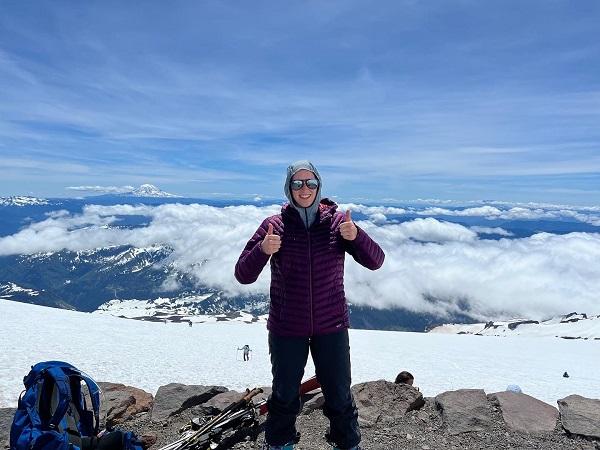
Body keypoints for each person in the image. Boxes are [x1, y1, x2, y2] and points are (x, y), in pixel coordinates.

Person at [235, 161, 385, 450]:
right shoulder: (273, 225)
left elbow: (376, 261)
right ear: (288, 188)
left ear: (319, 187)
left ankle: (347, 443)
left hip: (332, 324)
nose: (305, 189)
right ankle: (279, 443)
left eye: (311, 183)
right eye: (297, 183)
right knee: (284, 393)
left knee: (339, 394)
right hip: (287, 326)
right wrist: (262, 249)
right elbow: (243, 274)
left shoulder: (339, 223)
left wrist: (357, 236)